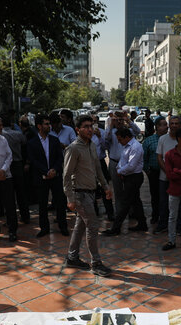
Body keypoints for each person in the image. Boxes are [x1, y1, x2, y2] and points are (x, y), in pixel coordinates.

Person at [63, 115, 113, 277]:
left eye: (91, 126)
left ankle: (72, 257)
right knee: (92, 226)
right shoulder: (73, 148)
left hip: (91, 193)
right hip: (80, 195)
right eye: (85, 127)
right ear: (77, 130)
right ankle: (96, 263)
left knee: (81, 225)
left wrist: (106, 187)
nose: (90, 129)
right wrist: (70, 198)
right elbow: (66, 176)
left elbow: (98, 168)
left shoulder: (92, 145)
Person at [26, 114, 69, 238]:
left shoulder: (54, 140)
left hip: (55, 176)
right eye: (46, 124)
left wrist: (54, 170)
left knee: (60, 202)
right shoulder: (32, 142)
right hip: (41, 177)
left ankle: (63, 226)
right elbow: (33, 160)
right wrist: (46, 171)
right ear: (39, 126)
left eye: (49, 123)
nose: (48, 126)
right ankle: (44, 228)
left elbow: (60, 157)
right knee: (42, 204)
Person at [102, 128, 147, 235]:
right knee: (136, 201)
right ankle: (142, 224)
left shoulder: (135, 147)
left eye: (120, 139)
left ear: (127, 137)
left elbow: (131, 166)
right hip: (129, 177)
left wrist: (120, 171)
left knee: (125, 203)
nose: (118, 141)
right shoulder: (126, 146)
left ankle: (116, 228)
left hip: (134, 178)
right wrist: (119, 169)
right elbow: (123, 161)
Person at [105, 111, 141, 216]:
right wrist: (111, 124)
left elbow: (137, 131)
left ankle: (132, 212)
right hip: (114, 163)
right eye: (117, 120)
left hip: (128, 165)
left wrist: (128, 120)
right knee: (118, 190)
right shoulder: (112, 132)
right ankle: (119, 213)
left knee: (130, 189)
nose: (119, 122)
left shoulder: (128, 132)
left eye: (121, 119)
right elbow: (106, 138)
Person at [155, 115, 181, 233]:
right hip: (164, 177)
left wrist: (177, 173)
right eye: (172, 123)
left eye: (177, 123)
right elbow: (159, 157)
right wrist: (167, 171)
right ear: (169, 125)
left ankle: (179, 227)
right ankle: (162, 225)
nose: (174, 125)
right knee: (163, 202)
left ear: (180, 125)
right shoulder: (163, 139)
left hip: (180, 178)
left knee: (179, 204)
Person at [1, 116, 30, 224]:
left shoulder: (0, 136)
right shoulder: (18, 134)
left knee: (9, 194)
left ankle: (11, 218)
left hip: (5, 166)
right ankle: (25, 216)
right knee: (21, 192)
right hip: (18, 164)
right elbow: (24, 143)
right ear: (11, 124)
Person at [143, 117, 167, 225]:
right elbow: (144, 158)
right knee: (155, 195)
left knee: (166, 196)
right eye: (163, 124)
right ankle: (155, 215)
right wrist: (147, 170)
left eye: (166, 124)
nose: (165, 127)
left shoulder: (170, 140)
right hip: (154, 172)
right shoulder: (149, 140)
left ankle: (165, 216)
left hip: (167, 172)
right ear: (157, 126)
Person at [90, 120, 114, 221]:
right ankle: (94, 212)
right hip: (89, 163)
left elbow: (106, 147)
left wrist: (100, 137)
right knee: (91, 187)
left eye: (95, 121)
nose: (93, 123)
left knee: (105, 187)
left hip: (100, 162)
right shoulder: (86, 133)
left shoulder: (102, 132)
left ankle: (110, 213)